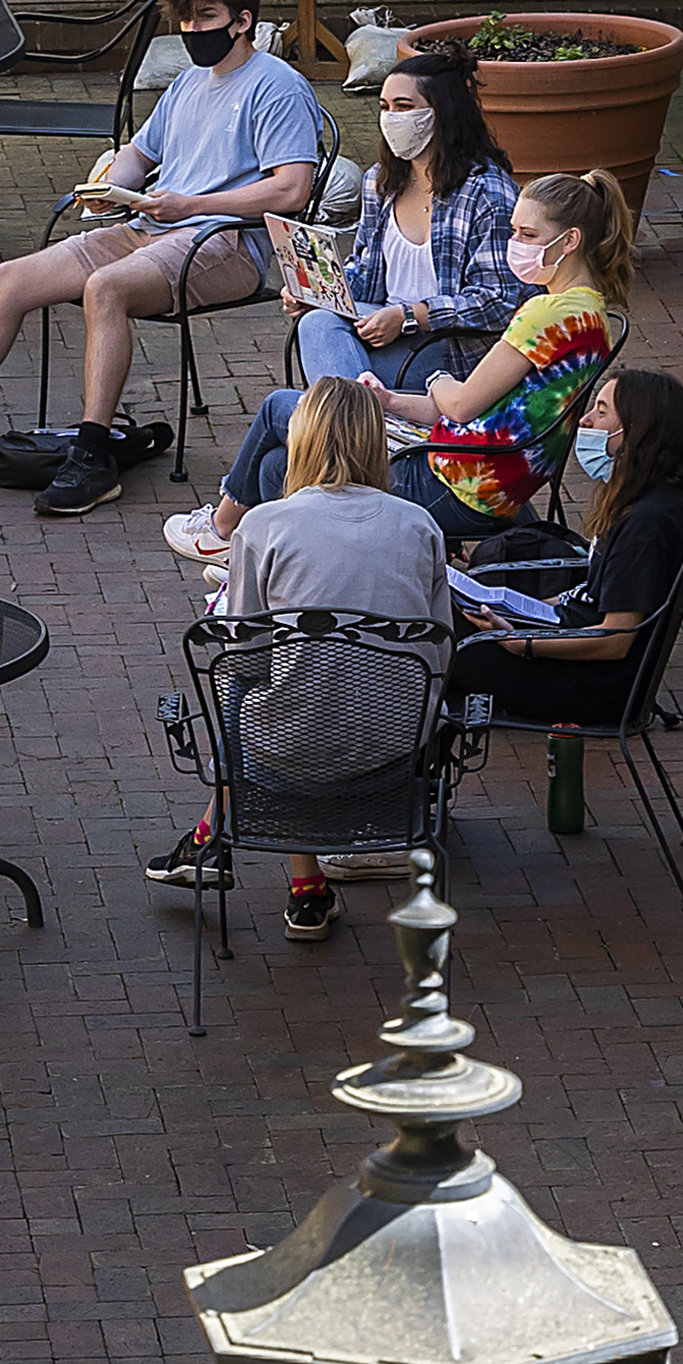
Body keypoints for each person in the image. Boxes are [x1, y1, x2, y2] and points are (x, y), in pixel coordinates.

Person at [0, 0, 325, 513]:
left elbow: (291, 191)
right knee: (11, 278)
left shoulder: (279, 88)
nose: (193, 31)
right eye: (186, 22)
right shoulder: (191, 82)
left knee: (106, 288)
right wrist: (105, 187)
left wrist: (188, 204)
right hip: (149, 225)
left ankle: (94, 455)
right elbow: (140, 153)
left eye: (206, 18)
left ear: (242, 22)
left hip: (223, 243)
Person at [167, 53, 521, 563]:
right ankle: (367, 429)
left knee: (279, 421)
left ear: (441, 112)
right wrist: (317, 289)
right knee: (316, 324)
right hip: (381, 345)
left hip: (446, 360)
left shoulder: (486, 191)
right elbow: (363, 276)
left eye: (405, 106)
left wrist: (412, 315)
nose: (391, 117)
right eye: (383, 106)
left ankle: (231, 524)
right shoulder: (383, 180)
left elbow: (498, 302)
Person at [145, 378, 452, 945]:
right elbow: (438, 650)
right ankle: (298, 888)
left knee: (249, 690)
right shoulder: (420, 525)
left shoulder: (263, 525)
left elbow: (243, 656)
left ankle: (228, 844)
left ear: (301, 440)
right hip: (397, 747)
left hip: (285, 755)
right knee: (316, 685)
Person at [453, 367, 683, 829]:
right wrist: (543, 608)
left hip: (591, 685)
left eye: (601, 412)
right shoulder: (654, 500)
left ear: (635, 431)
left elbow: (616, 639)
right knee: (443, 623)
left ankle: (408, 809)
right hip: (570, 651)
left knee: (423, 646)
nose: (585, 423)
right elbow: (600, 602)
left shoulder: (647, 525)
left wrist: (523, 643)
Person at [376, 167, 635, 546]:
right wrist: (392, 401)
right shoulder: (592, 316)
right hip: (494, 484)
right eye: (513, 231)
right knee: (285, 459)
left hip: (459, 483)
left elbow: (462, 406)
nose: (515, 243)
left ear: (570, 241)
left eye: (528, 235)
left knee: (284, 421)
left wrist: (438, 381)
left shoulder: (546, 314)